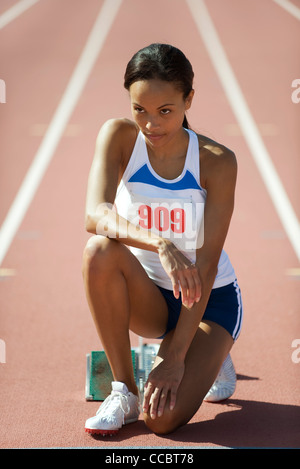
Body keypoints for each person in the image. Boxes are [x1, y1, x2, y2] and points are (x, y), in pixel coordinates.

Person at [82, 43, 243, 436]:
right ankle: (124, 389)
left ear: (189, 99)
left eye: (165, 111)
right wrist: (161, 243)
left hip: (208, 302)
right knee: (99, 251)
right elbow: (95, 214)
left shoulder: (216, 161)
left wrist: (176, 357)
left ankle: (213, 352)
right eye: (140, 110)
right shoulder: (119, 136)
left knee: (162, 422)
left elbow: (203, 267)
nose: (151, 125)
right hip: (152, 295)